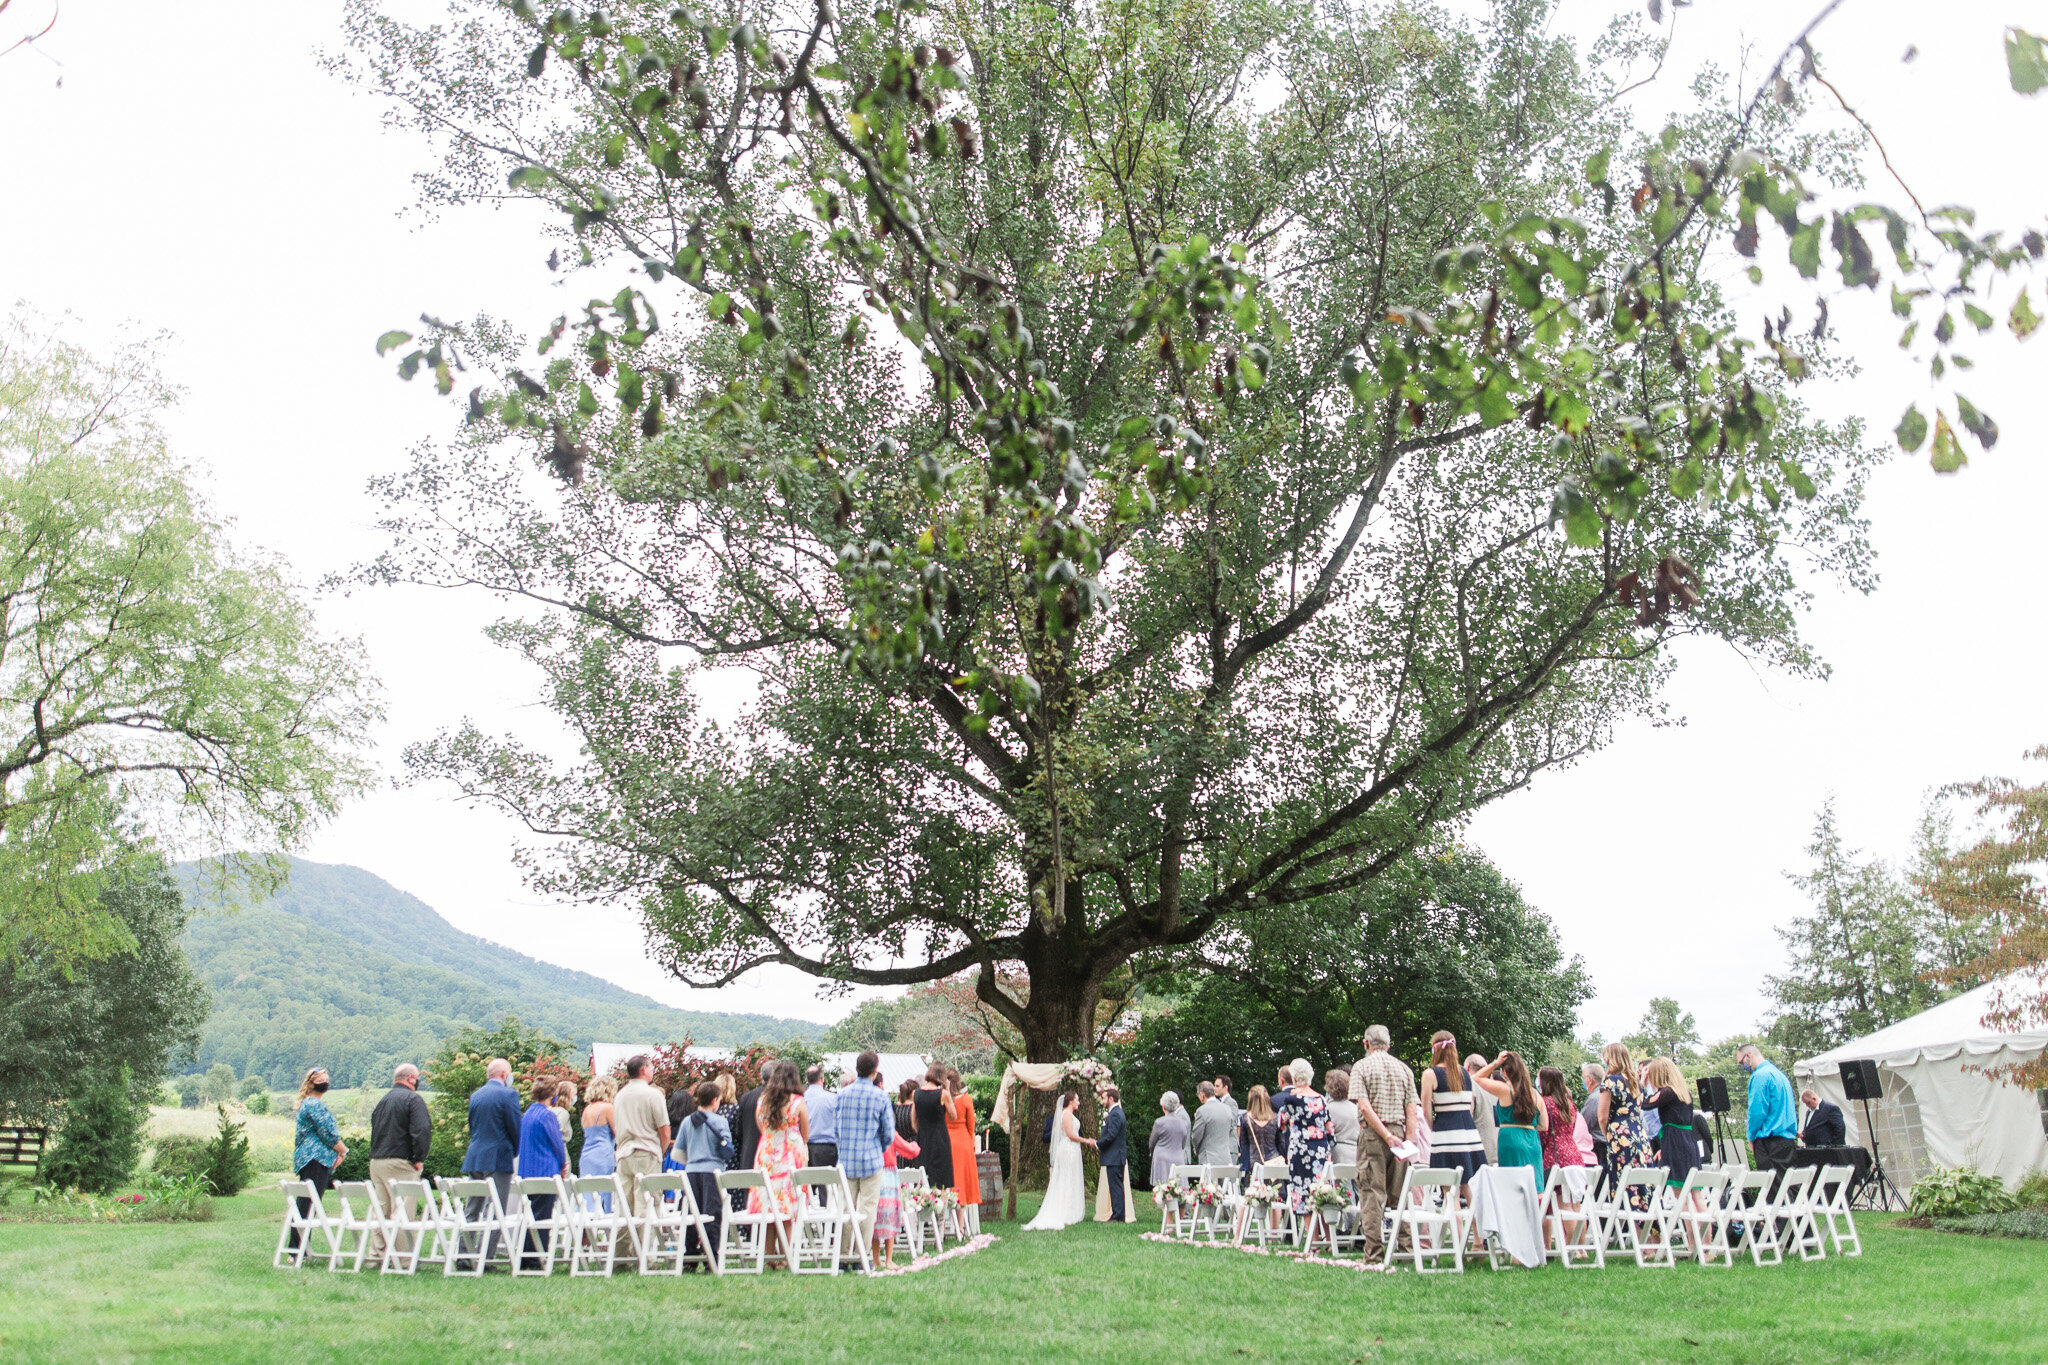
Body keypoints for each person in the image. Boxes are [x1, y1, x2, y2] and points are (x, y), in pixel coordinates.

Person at [1349, 1024, 1421, 1264]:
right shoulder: (1404, 1069)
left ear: (1366, 1043)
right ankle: (1406, 1249)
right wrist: (1408, 1140)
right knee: (1401, 1195)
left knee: (1372, 1194)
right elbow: (1412, 1109)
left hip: (1373, 1135)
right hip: (1400, 1133)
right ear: (1389, 1045)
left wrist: (1385, 1135)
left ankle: (1374, 1254)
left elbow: (1364, 1106)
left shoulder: (1361, 1066)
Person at [458, 1057, 523, 1269]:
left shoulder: (476, 1095)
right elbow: (515, 1127)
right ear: (504, 1075)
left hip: (475, 1156)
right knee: (495, 1211)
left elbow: (473, 1125)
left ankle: (463, 1256)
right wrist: (514, 1150)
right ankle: (485, 1257)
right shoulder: (508, 1094)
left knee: (472, 1209)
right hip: (498, 1157)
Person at [833, 1051, 898, 1263]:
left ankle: (844, 1256)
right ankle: (863, 1255)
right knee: (868, 1208)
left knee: (846, 1208)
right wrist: (879, 1146)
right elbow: (888, 1132)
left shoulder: (841, 1095)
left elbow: (835, 1128)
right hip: (871, 1160)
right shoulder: (880, 1096)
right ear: (874, 1070)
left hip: (847, 1160)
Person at [368, 1062, 431, 1262]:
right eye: (417, 1077)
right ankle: (402, 1258)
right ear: (411, 1078)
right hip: (400, 1161)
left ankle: (377, 1255)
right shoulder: (413, 1100)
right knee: (403, 1209)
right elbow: (421, 1130)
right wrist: (419, 1158)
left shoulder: (383, 1101)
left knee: (381, 1210)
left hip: (377, 1161)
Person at [749, 1060, 810, 1257]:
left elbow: (762, 1129)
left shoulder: (762, 1101)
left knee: (769, 1208)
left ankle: (768, 1255)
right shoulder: (797, 1102)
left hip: (766, 1156)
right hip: (791, 1157)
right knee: (787, 1207)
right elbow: (805, 1133)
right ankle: (785, 1255)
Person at [673, 1080, 733, 1269]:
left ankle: (690, 1254)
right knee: (712, 1213)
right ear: (715, 1100)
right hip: (713, 1171)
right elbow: (727, 1149)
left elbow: (678, 1152)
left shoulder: (687, 1121)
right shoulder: (720, 1121)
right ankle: (711, 1255)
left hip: (691, 1171)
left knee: (692, 1214)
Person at [1420, 1031, 1485, 1193]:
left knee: (1450, 1191)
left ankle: (1454, 1219)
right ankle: (1475, 1219)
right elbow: (1469, 1105)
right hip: (1469, 1134)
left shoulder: (1431, 1074)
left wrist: (1434, 1127)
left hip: (1446, 1134)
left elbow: (1426, 1110)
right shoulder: (1464, 1073)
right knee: (1469, 1186)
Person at [1470, 1051, 1547, 1186]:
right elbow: (1544, 1125)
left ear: (1504, 1072)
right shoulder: (1536, 1095)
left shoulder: (1505, 1090)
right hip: (1532, 1140)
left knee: (1511, 1185)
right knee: (1534, 1185)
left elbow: (1476, 1078)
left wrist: (1496, 1062)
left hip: (1510, 1140)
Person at [289, 1068, 345, 1253]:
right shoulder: (314, 1104)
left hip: (310, 1158)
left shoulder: (308, 1103)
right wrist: (343, 1151)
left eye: (327, 1078)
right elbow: (327, 1133)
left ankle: (300, 1247)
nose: (326, 1081)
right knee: (308, 1204)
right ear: (312, 1083)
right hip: (316, 1158)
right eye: (322, 1078)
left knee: (306, 1203)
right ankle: (296, 1248)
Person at [516, 1079, 569, 1270]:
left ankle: (525, 1256)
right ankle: (536, 1257)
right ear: (552, 1095)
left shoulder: (527, 1114)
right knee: (543, 1217)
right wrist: (563, 1164)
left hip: (527, 1171)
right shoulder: (548, 1116)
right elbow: (557, 1142)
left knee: (530, 1216)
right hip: (545, 1170)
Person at [1273, 1059, 1334, 1222]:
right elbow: (1330, 1129)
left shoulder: (1292, 1099)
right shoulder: (1322, 1099)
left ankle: (1312, 1241)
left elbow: (1281, 1124)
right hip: (1320, 1149)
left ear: (1293, 1077)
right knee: (1321, 1190)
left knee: (1303, 1191)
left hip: (1300, 1150)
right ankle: (1326, 1237)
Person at [1595, 1042, 1653, 1210]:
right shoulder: (1636, 1082)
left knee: (1623, 1184)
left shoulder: (1610, 1082)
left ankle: (1630, 1224)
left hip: (1620, 1135)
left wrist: (1609, 1134)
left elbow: (1602, 1116)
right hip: (1639, 1133)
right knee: (1642, 1182)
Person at [1023, 1090, 1090, 1231]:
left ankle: (1070, 1210)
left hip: (1073, 1149)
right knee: (1066, 1179)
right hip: (1068, 1149)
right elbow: (1071, 1135)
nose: (1079, 1102)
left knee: (1071, 1178)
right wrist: (1086, 1141)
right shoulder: (1066, 1114)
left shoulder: (1069, 1114)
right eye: (1077, 1099)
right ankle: (1065, 1212)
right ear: (1070, 1101)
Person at [612, 1054, 670, 1216]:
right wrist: (661, 1150)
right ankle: (645, 1241)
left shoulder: (620, 1096)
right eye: (651, 1067)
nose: (653, 1071)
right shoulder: (653, 1094)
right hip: (646, 1152)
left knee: (624, 1207)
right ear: (643, 1069)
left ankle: (622, 1242)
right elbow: (664, 1129)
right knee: (647, 1206)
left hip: (624, 1155)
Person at [1641, 1059, 1701, 1196]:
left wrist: (1642, 1084)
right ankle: (1702, 1218)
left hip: (1675, 1143)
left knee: (1680, 1194)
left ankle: (1687, 1218)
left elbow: (1645, 1103)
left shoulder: (1667, 1092)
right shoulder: (1683, 1092)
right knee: (1695, 1194)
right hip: (1688, 1141)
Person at [1742, 1044, 1799, 1187]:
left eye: (1741, 1062)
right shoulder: (1779, 1075)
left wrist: (1751, 1136)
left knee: (1772, 1189)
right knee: (1787, 1187)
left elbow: (1756, 1111)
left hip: (1769, 1142)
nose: (1742, 1066)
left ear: (1748, 1056)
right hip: (1786, 1140)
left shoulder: (1760, 1076)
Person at [909, 1063, 955, 1190]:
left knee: (923, 1179)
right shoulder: (943, 1094)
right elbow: (953, 1116)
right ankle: (941, 1206)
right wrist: (948, 1089)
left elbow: (913, 1121)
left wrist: (921, 1131)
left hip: (922, 1139)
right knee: (942, 1181)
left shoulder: (916, 1094)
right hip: (940, 1140)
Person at [578, 1077, 617, 1212]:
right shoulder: (607, 1108)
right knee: (603, 1192)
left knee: (587, 1194)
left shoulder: (586, 1110)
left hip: (586, 1155)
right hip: (603, 1154)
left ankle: (585, 1230)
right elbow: (617, 1132)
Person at [1536, 1066, 1585, 1174]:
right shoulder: (1569, 1104)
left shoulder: (1544, 1103)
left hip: (1553, 1156)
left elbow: (1543, 1134)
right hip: (1574, 1154)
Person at [945, 1067, 981, 1210]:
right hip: (963, 1141)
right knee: (962, 1182)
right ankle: (960, 1223)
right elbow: (971, 1126)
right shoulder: (966, 1099)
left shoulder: (943, 1100)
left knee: (949, 1179)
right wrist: (971, 1143)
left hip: (947, 1141)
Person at [1238, 1084, 1282, 1180]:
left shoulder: (1245, 1119)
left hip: (1253, 1163)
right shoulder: (1276, 1118)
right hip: (1274, 1163)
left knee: (1254, 1192)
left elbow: (1244, 1145)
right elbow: (1280, 1143)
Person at [1188, 1081, 1235, 1168]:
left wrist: (1197, 1150)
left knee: (1209, 1182)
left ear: (1202, 1094)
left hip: (1209, 1159)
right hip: (1226, 1159)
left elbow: (1196, 1136)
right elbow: (1231, 1129)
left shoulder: (1202, 1111)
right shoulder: (1227, 1109)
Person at [1465, 1052, 1500, 1164]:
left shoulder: (1471, 1086)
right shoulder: (1496, 1088)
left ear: (1468, 1067)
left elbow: (1467, 1118)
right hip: (1496, 1152)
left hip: (1478, 1152)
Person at [1150, 1091, 1191, 1185]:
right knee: (1178, 1187)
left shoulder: (1159, 1122)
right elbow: (1183, 1143)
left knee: (1161, 1188)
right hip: (1178, 1158)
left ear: (1164, 1107)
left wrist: (1152, 1151)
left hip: (1161, 1159)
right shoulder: (1184, 1123)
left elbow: (1152, 1142)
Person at [803, 1064, 839, 1169]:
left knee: (807, 1184)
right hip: (827, 1149)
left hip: (805, 1148)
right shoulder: (832, 1098)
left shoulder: (801, 1099)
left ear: (807, 1079)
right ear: (822, 1078)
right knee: (827, 1184)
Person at [1323, 1070, 1361, 1169]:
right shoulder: (1356, 1108)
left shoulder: (1327, 1109)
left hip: (1339, 1156)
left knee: (1342, 1185)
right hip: (1357, 1155)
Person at [1578, 1063, 1607, 1169]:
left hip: (1598, 1146)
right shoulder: (1605, 1093)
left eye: (1583, 1078)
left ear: (1590, 1080)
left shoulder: (1594, 1098)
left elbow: (1584, 1125)